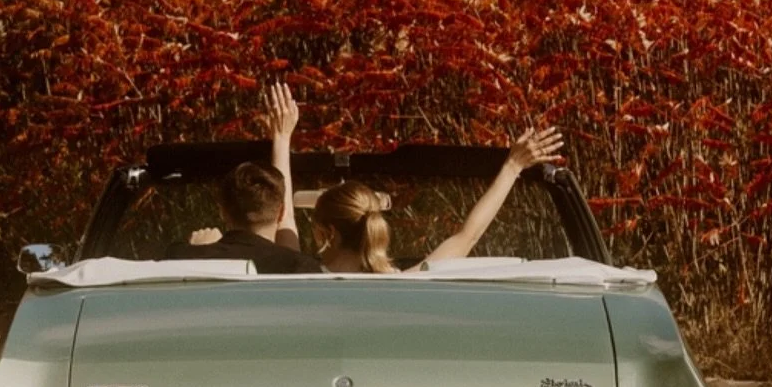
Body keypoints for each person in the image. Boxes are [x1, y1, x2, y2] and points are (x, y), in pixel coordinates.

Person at [312, 125, 565, 273]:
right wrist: (513, 166)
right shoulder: (405, 285)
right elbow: (468, 236)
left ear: (325, 234)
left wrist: (282, 138)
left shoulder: (295, 285)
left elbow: (282, 228)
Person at [159, 156, 323, 273]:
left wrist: (202, 253)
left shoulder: (179, 257)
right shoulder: (302, 269)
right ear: (281, 213)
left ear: (222, 212)